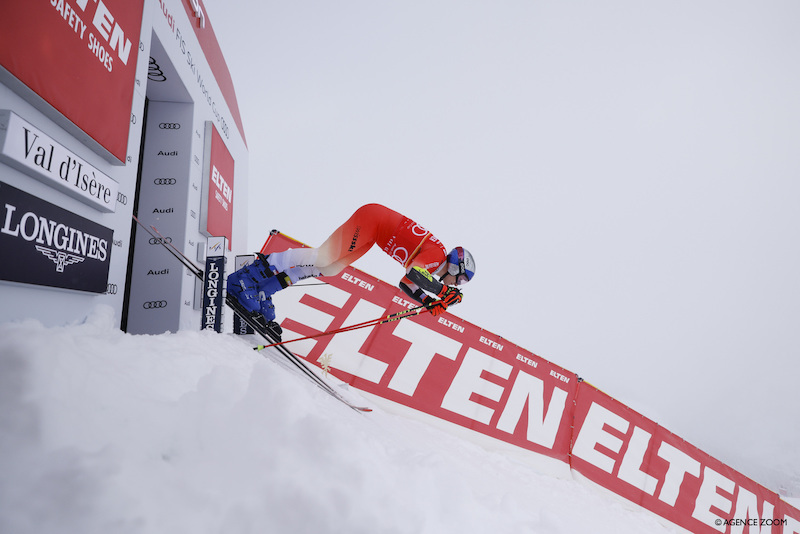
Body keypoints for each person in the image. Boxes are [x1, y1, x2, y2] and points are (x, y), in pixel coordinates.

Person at [227, 203, 475, 328]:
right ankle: (249, 276)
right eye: (461, 280)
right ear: (456, 267)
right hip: (372, 221)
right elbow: (414, 273)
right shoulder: (437, 255)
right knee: (323, 257)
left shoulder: (432, 266)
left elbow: (406, 283)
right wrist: (441, 293)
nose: (459, 285)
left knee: (330, 268)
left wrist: (429, 301)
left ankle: (265, 288)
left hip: (374, 233)